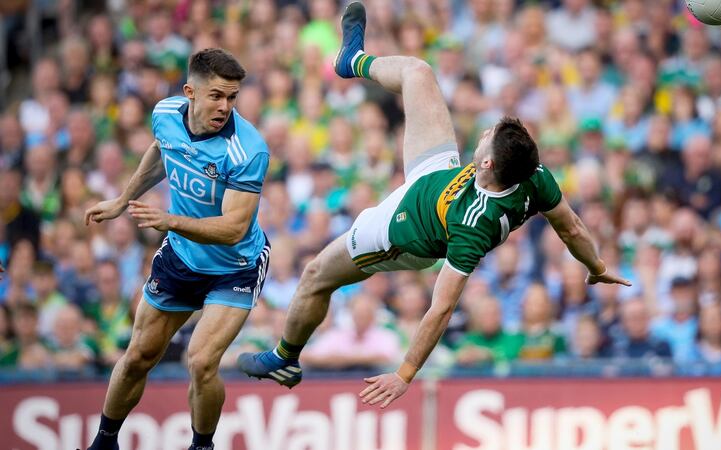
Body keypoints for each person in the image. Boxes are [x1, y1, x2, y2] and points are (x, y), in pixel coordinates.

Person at [238, 2, 628, 409]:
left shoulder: (471, 227)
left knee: (316, 274)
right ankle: (352, 60)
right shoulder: (534, 173)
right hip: (435, 178)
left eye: (487, 137)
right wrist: (596, 268)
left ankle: (285, 357)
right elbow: (572, 228)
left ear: (488, 162)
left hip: (401, 230)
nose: (484, 133)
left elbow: (441, 309)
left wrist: (405, 373)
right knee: (418, 72)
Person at [83, 48, 270, 450]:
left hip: (235, 266)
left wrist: (170, 221)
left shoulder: (248, 149)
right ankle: (104, 442)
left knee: (201, 363)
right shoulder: (166, 113)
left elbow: (233, 229)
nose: (226, 106)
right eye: (217, 95)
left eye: (233, 97)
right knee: (138, 357)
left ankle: (202, 446)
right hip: (182, 257)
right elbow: (160, 151)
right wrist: (122, 200)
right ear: (190, 92)